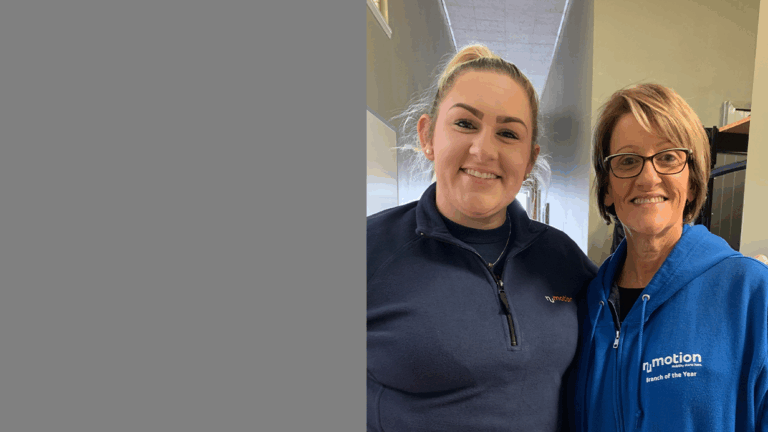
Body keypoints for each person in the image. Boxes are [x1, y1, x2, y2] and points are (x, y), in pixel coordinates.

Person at [367, 44, 597, 431]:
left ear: (528, 160)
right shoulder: (370, 249)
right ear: (428, 136)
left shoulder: (562, 259)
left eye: (508, 133)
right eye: (465, 124)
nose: (483, 150)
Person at [572, 83, 768, 431]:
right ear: (606, 189)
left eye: (667, 158)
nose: (649, 177)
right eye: (628, 161)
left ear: (692, 181)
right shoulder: (587, 305)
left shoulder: (751, 292)